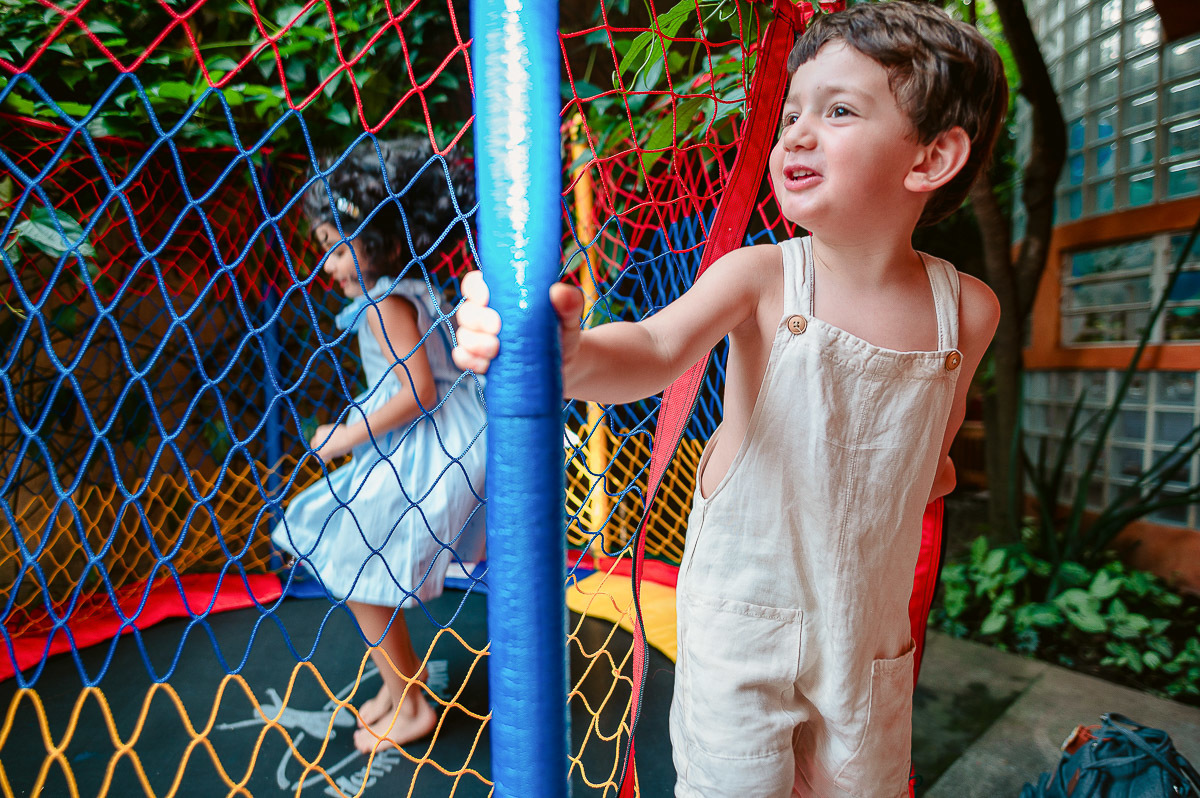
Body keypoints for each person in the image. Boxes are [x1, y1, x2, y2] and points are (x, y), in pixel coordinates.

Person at [454, 2, 1006, 794]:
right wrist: (566, 353)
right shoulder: (764, 276)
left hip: (866, 633)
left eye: (838, 111)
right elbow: (651, 349)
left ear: (931, 157)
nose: (796, 135)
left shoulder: (969, 310)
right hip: (749, 622)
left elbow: (931, 459)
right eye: (791, 115)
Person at [274, 138, 485, 754]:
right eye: (324, 250)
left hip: (434, 441)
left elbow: (418, 390)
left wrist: (340, 438)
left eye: (338, 249)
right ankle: (400, 691)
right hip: (439, 438)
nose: (329, 266)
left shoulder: (385, 303)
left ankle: (411, 701)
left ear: (378, 239)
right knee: (353, 552)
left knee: (357, 561)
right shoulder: (408, 291)